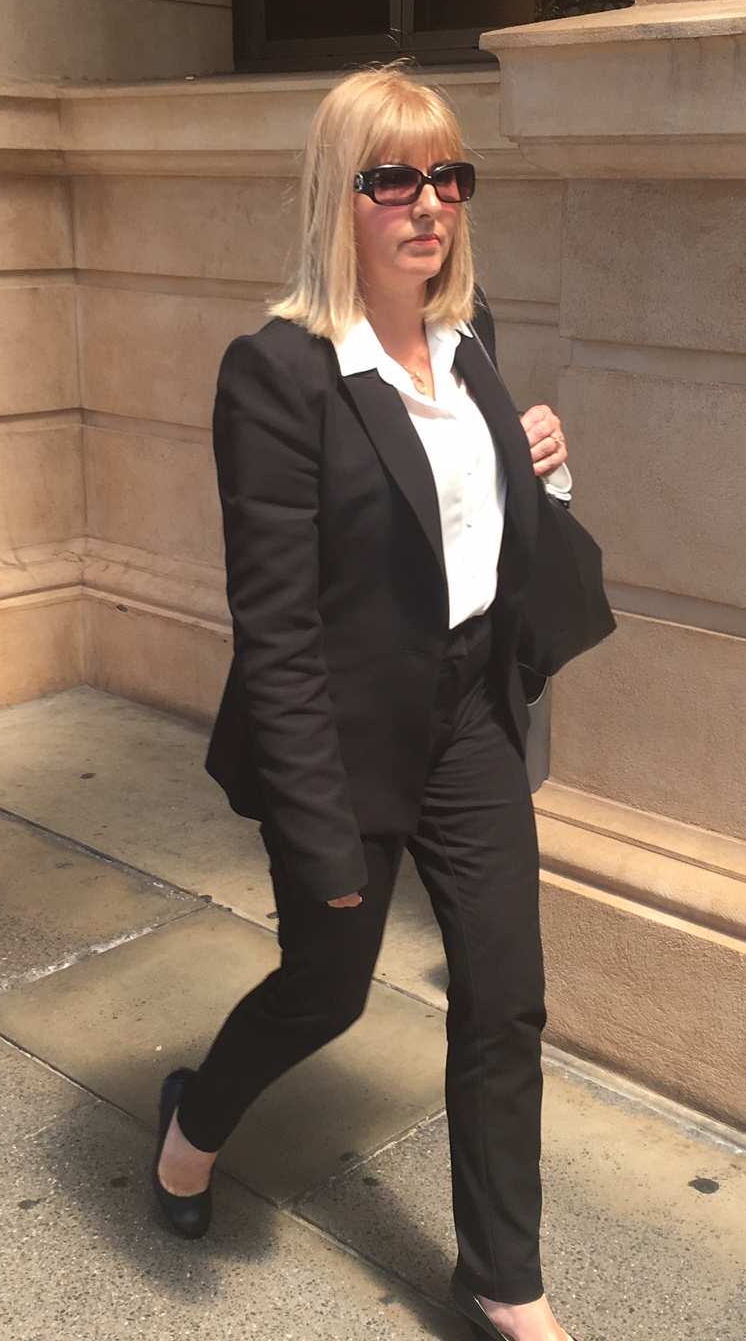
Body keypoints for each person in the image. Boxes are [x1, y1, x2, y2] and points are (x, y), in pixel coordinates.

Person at [151, 65, 579, 1341]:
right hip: (340, 740)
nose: (427, 203)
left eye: (448, 175)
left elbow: (475, 536)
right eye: (393, 179)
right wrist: (320, 831)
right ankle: (194, 1123)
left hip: (469, 717)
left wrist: (540, 469)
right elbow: (276, 632)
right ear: (337, 196)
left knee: (504, 993)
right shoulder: (277, 374)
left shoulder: (471, 334)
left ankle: (503, 1281)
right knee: (328, 988)